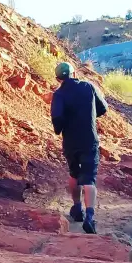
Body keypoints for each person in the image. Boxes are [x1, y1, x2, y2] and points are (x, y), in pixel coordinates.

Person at [50, 61, 108, 234]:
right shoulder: (88, 87)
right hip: (89, 139)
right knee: (89, 178)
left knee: (74, 174)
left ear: (58, 78)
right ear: (74, 74)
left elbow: (57, 118)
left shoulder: (59, 94)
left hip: (71, 141)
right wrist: (89, 115)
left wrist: (59, 129)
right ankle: (90, 216)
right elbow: (102, 108)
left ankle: (77, 209)